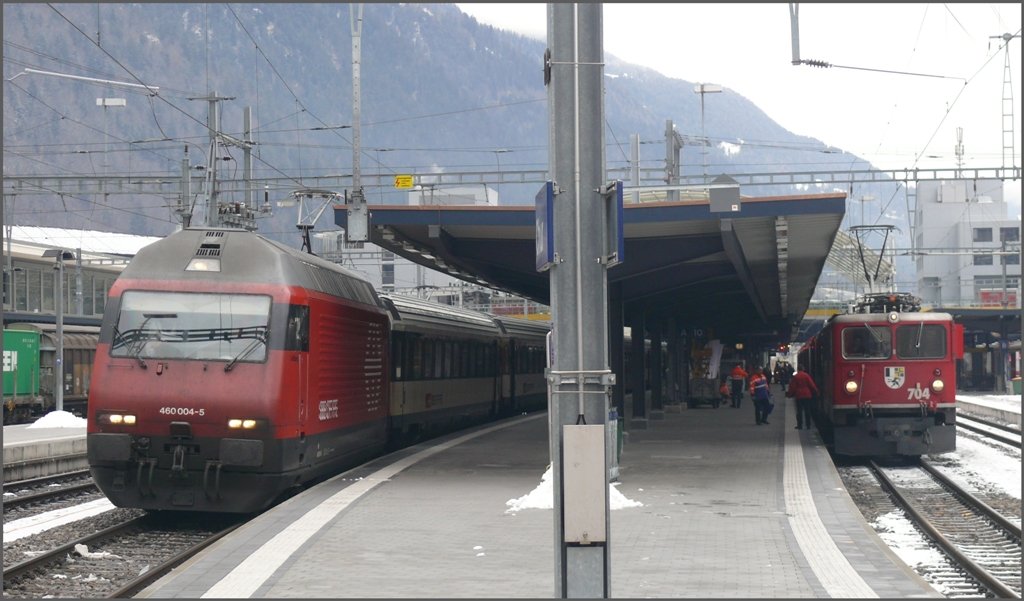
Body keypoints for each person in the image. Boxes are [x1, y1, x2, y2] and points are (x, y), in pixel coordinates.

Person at [786, 364, 819, 430]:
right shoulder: (806, 376)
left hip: (799, 395)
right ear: (803, 369)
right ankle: (808, 425)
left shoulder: (796, 377)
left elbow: (792, 387)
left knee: (799, 411)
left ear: (798, 369)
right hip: (807, 395)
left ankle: (800, 425)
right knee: (807, 410)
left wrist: (789, 394)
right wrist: (816, 391)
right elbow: (812, 384)